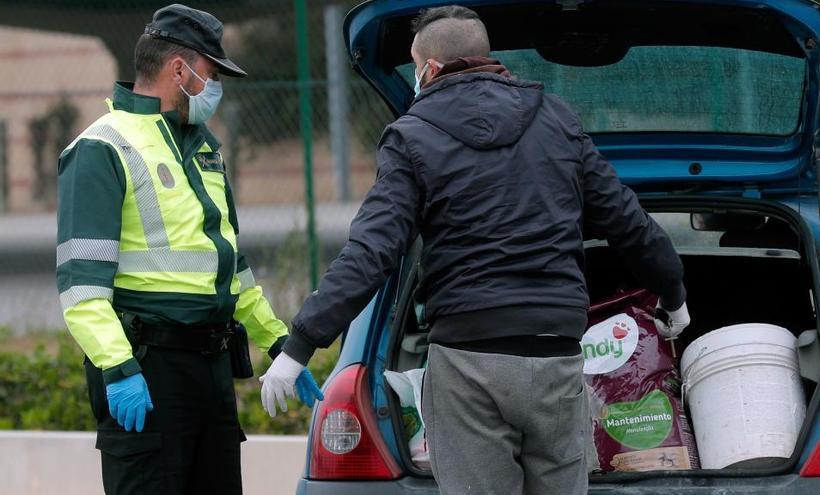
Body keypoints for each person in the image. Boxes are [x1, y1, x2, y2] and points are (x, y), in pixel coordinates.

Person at [260, 5, 690, 494]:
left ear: (429, 69)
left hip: (469, 359)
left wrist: (300, 344)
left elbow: (373, 251)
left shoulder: (412, 136)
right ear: (485, 57)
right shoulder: (558, 122)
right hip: (556, 356)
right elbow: (628, 222)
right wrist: (671, 293)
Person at [55, 4, 321, 494]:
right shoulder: (102, 147)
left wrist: (278, 342)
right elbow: (81, 286)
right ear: (179, 70)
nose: (215, 86)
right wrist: (119, 369)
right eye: (211, 72)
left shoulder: (204, 148)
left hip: (211, 371)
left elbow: (229, 268)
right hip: (149, 371)